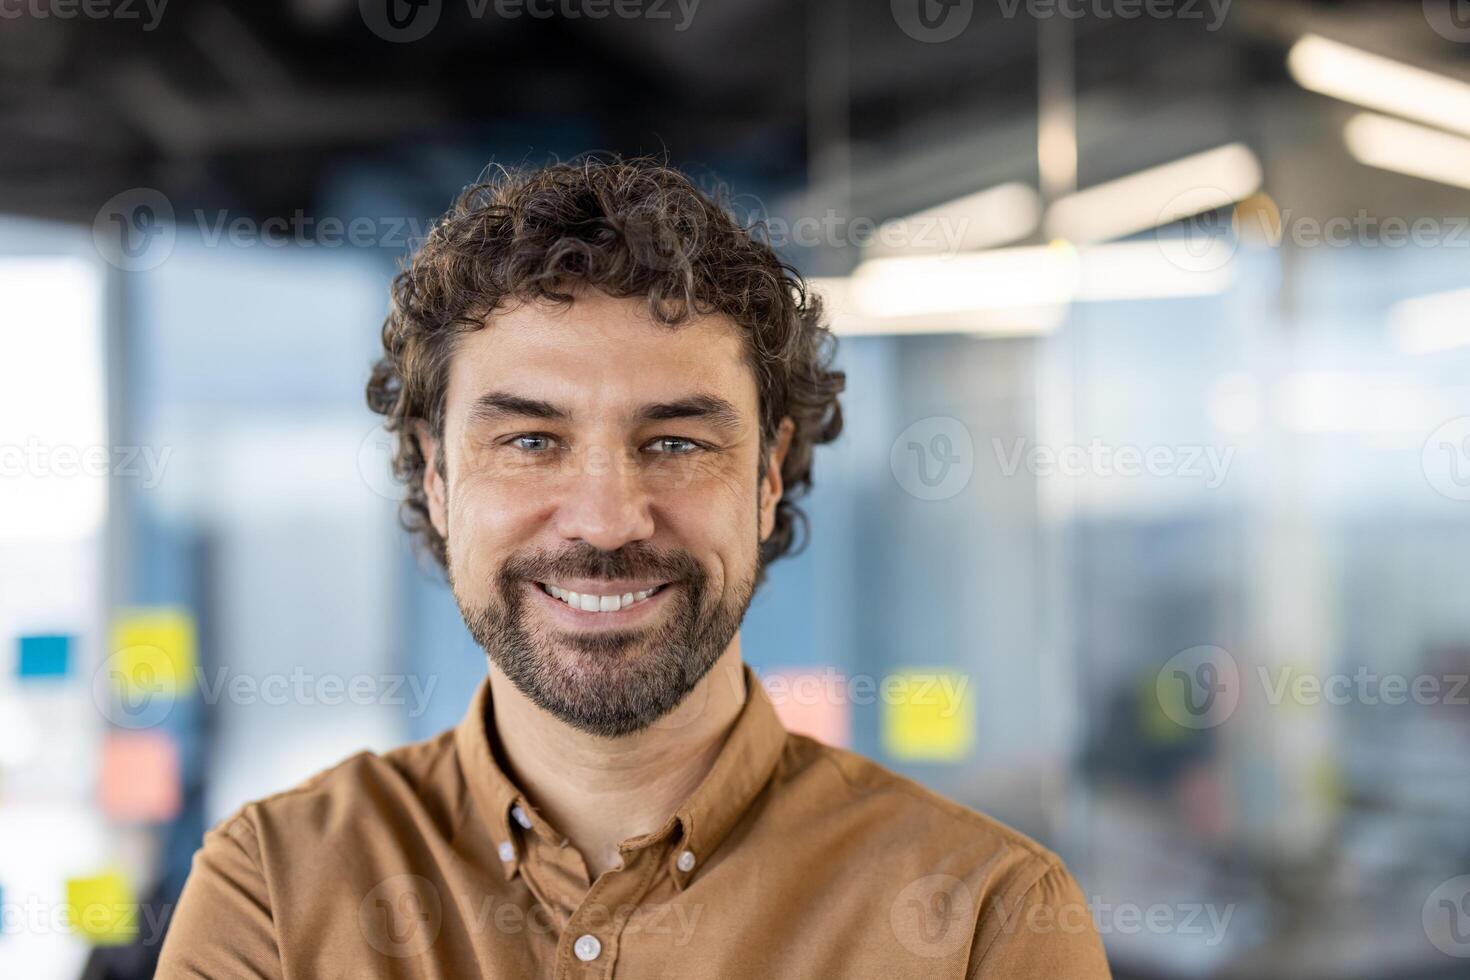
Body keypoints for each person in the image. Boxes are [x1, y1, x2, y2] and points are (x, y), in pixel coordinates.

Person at [155, 156, 1113, 979]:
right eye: (530, 440)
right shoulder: (274, 896)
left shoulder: (985, 921)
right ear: (439, 480)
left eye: (678, 443)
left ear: (770, 477)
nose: (607, 520)